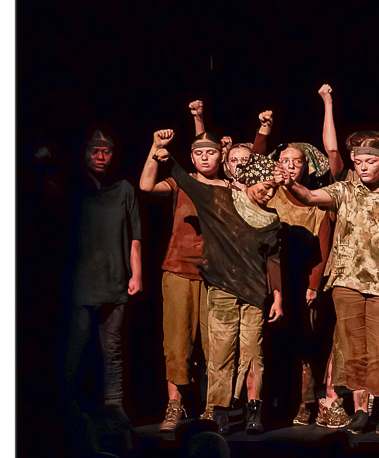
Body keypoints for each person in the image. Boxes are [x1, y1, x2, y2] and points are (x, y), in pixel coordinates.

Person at [278, 130, 379, 435]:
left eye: (371, 161)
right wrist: (292, 185)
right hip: (347, 281)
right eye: (359, 162)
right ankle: (360, 410)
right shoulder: (345, 190)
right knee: (353, 349)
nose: (364, 167)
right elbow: (311, 196)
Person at [154, 131, 284, 434]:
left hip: (254, 293)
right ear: (251, 182)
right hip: (223, 288)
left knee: (254, 354)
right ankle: (220, 411)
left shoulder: (271, 219)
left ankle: (254, 411)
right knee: (221, 353)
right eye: (265, 187)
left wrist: (276, 295)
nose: (269, 194)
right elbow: (189, 183)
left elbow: (273, 260)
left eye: (273, 190)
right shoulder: (223, 199)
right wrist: (167, 157)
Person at [139, 129, 226, 430]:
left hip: (217, 276)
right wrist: (155, 148)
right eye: (199, 153)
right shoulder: (182, 183)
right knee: (177, 342)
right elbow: (146, 186)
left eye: (211, 152)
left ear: (221, 155)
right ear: (191, 157)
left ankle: (214, 407)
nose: (205, 157)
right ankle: (174, 404)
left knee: (216, 343)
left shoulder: (230, 188)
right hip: (178, 268)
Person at [61, 128, 142, 417]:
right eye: (94, 150)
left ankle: (114, 406)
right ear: (84, 153)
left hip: (115, 281)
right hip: (81, 284)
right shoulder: (75, 187)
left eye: (105, 151)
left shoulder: (123, 189)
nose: (100, 156)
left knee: (112, 349)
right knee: (76, 348)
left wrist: (136, 274)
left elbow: (135, 235)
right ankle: (68, 405)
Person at [267, 139, 339, 427]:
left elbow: (323, 245)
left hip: (303, 281)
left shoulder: (316, 199)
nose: (290, 166)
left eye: (296, 161)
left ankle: (305, 403)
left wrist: (313, 285)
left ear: (306, 166)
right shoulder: (270, 195)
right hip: (275, 283)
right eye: (285, 160)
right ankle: (278, 401)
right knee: (275, 344)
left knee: (305, 345)